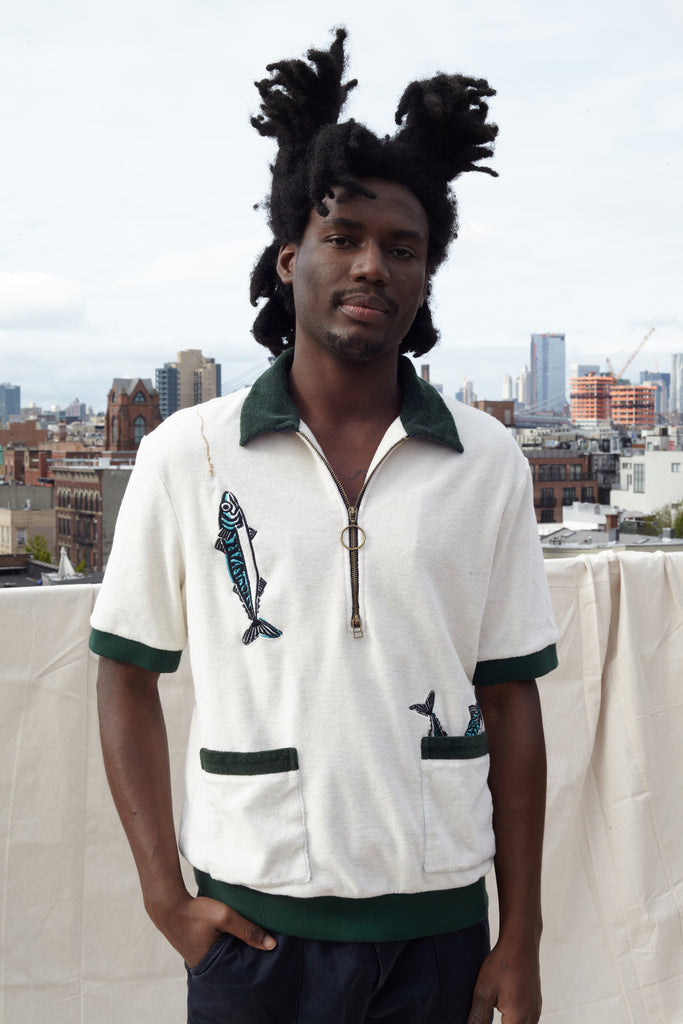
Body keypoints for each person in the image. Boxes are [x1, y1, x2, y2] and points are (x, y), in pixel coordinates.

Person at [91, 29, 558, 1024]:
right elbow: (124, 673)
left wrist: (518, 935)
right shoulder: (190, 452)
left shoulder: (489, 463)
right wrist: (164, 898)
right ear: (289, 255)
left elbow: (510, 700)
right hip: (253, 942)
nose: (371, 266)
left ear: (426, 277)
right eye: (343, 236)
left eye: (402, 248)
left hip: (438, 938)